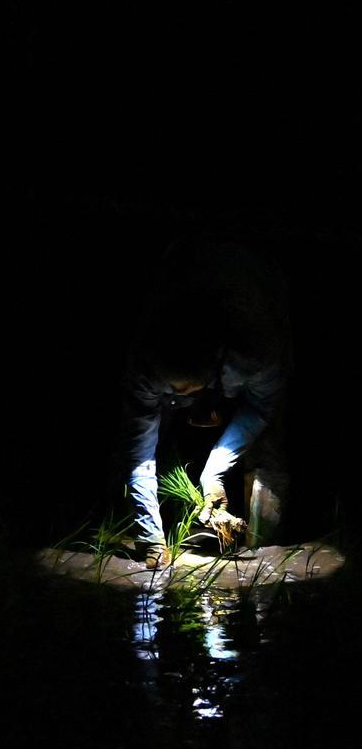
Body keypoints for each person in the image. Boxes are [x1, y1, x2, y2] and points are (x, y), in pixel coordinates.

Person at [120, 237, 290, 566]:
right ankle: (153, 524)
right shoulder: (143, 367)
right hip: (180, 270)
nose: (178, 395)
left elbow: (260, 409)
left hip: (257, 282)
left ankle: (264, 552)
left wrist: (214, 471)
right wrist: (151, 539)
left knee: (269, 449)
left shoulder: (258, 352)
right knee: (146, 444)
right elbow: (137, 453)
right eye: (169, 389)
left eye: (185, 388)